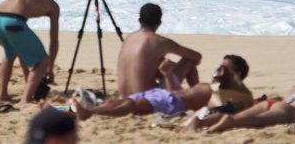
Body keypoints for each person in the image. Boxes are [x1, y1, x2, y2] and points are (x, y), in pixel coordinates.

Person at [208, 52, 295, 133]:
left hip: (272, 103)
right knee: (258, 120)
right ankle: (230, 122)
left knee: (239, 116)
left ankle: (200, 122)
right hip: (290, 111)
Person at [0, 0, 59, 103]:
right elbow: (54, 40)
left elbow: (22, 48)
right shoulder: (51, 3)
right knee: (42, 61)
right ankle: (25, 99)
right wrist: (49, 68)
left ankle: (2, 95)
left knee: (9, 54)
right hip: (13, 22)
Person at [69, 59, 212, 120]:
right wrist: (168, 75)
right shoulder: (206, 86)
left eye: (224, 69)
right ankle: (76, 112)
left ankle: (88, 112)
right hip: (167, 95)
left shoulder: (217, 92)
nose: (218, 71)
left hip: (171, 103)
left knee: (131, 105)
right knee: (118, 101)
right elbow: (175, 91)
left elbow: (210, 109)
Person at [117, 3, 201, 96]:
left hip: (126, 98)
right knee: (188, 62)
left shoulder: (129, 38)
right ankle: (198, 97)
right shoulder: (159, 41)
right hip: (147, 100)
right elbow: (196, 57)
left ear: (139, 20)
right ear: (160, 23)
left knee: (159, 64)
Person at [182, 55, 254, 131]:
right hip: (198, 115)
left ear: (236, 73)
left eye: (224, 68)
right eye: (219, 67)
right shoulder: (213, 87)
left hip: (209, 117)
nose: (219, 70)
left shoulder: (243, 95)